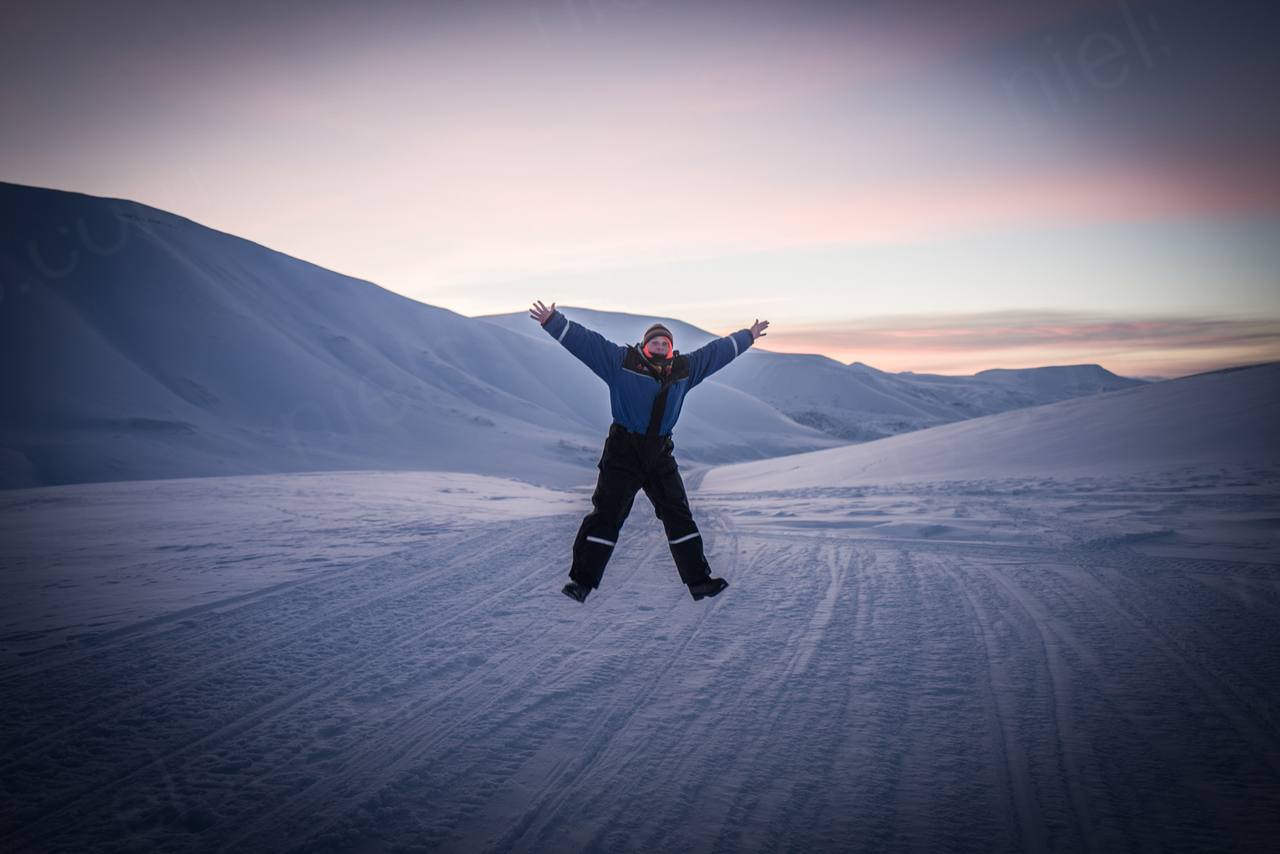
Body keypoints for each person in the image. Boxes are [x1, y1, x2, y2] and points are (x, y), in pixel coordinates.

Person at [528, 300, 769, 603]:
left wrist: (748, 336)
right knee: (607, 514)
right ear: (644, 345)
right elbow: (588, 344)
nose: (659, 345)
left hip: (659, 453)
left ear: (671, 348)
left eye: (665, 343)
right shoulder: (621, 362)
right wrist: (553, 321)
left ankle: (699, 581)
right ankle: (581, 582)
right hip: (623, 450)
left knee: (678, 513)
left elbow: (715, 354)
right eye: (654, 341)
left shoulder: (684, 370)